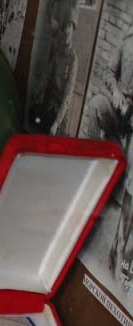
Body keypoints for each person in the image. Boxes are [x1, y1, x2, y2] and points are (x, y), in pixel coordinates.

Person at [85, 26, 133, 284]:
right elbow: (108, 72)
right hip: (118, 108)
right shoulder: (127, 41)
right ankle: (89, 173)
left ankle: (119, 247)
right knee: (95, 106)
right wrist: (115, 92)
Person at [29, 12, 78, 135]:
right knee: (34, 120)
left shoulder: (73, 59)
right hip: (48, 103)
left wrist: (56, 123)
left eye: (70, 27)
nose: (67, 31)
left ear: (73, 30)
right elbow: (47, 75)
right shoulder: (57, 50)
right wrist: (38, 91)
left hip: (59, 114)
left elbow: (67, 97)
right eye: (65, 27)